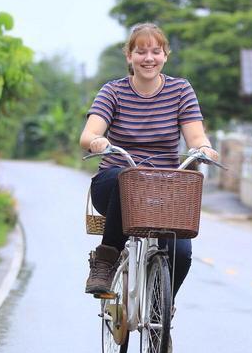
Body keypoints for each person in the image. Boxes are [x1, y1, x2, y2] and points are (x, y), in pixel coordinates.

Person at [79, 22, 219, 299]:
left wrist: (204, 149)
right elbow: (89, 133)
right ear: (129, 56)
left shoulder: (180, 91)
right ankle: (105, 261)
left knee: (181, 253)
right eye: (141, 52)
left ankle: (159, 308)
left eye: (156, 51)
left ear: (165, 55)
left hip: (163, 189)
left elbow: (196, 137)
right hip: (114, 184)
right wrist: (98, 140)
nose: (149, 58)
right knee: (126, 179)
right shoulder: (113, 91)